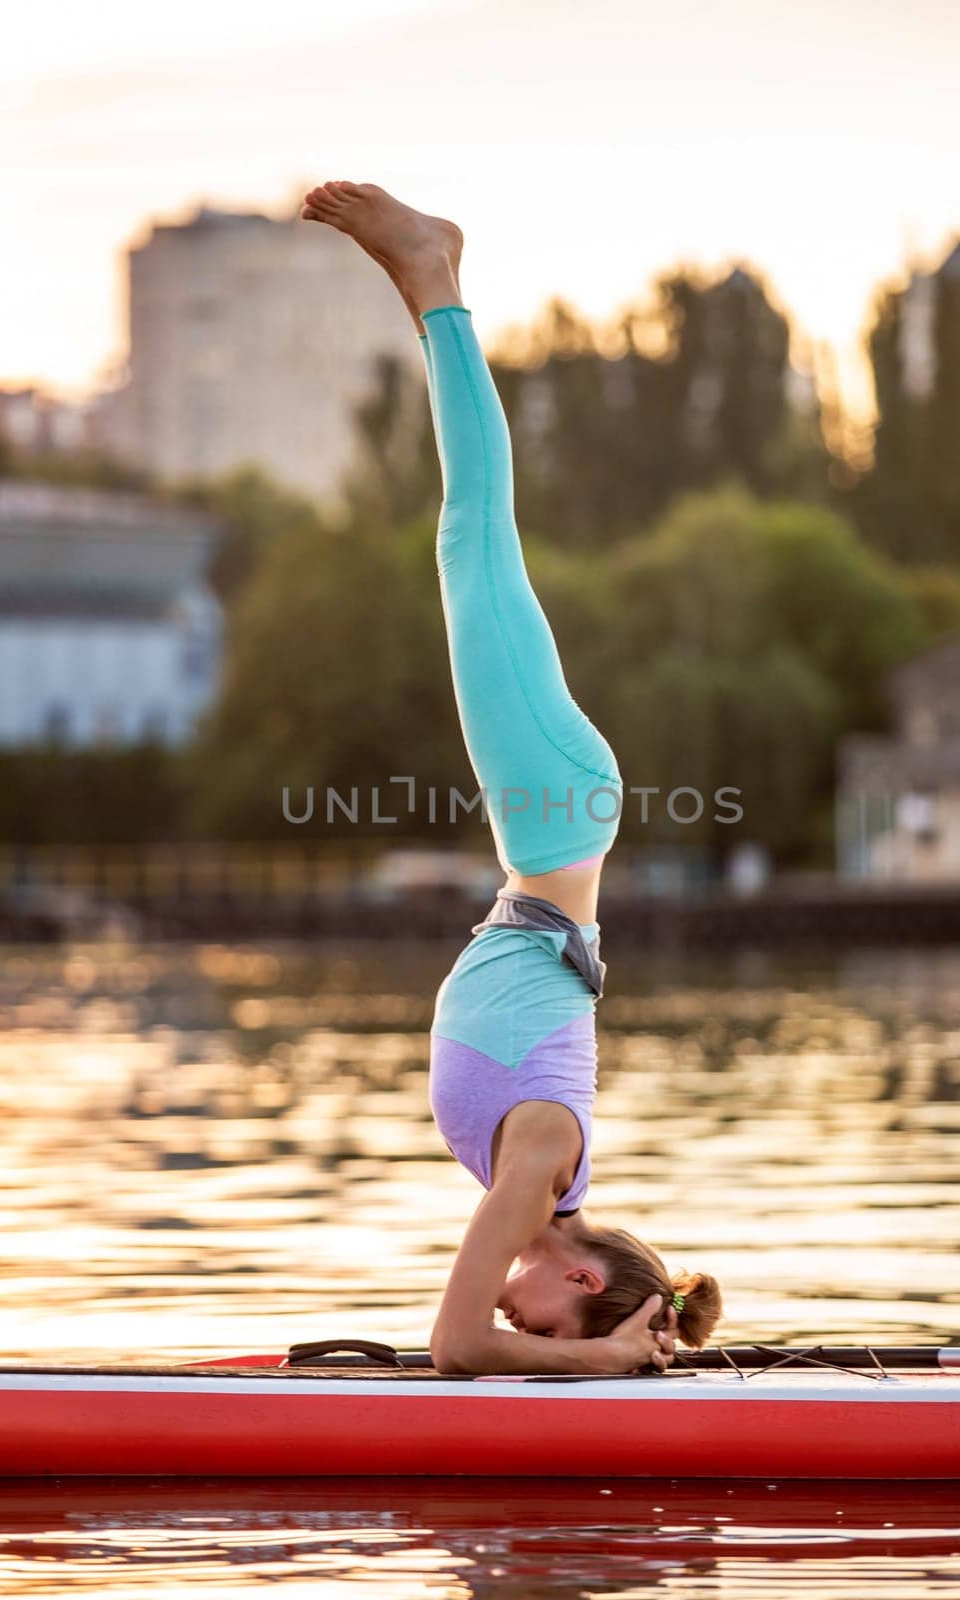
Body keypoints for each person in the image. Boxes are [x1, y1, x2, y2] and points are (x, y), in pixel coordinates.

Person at [302, 181, 723, 1375]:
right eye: (538, 1319)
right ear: (581, 1275)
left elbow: (466, 1338)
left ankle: (427, 289)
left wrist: (597, 1347)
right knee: (472, 533)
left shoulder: (533, 1180)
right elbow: (451, 1351)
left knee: (471, 538)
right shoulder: (539, 1159)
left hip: (549, 829)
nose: (507, 1313)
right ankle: (435, 279)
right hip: (553, 819)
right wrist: (603, 1363)